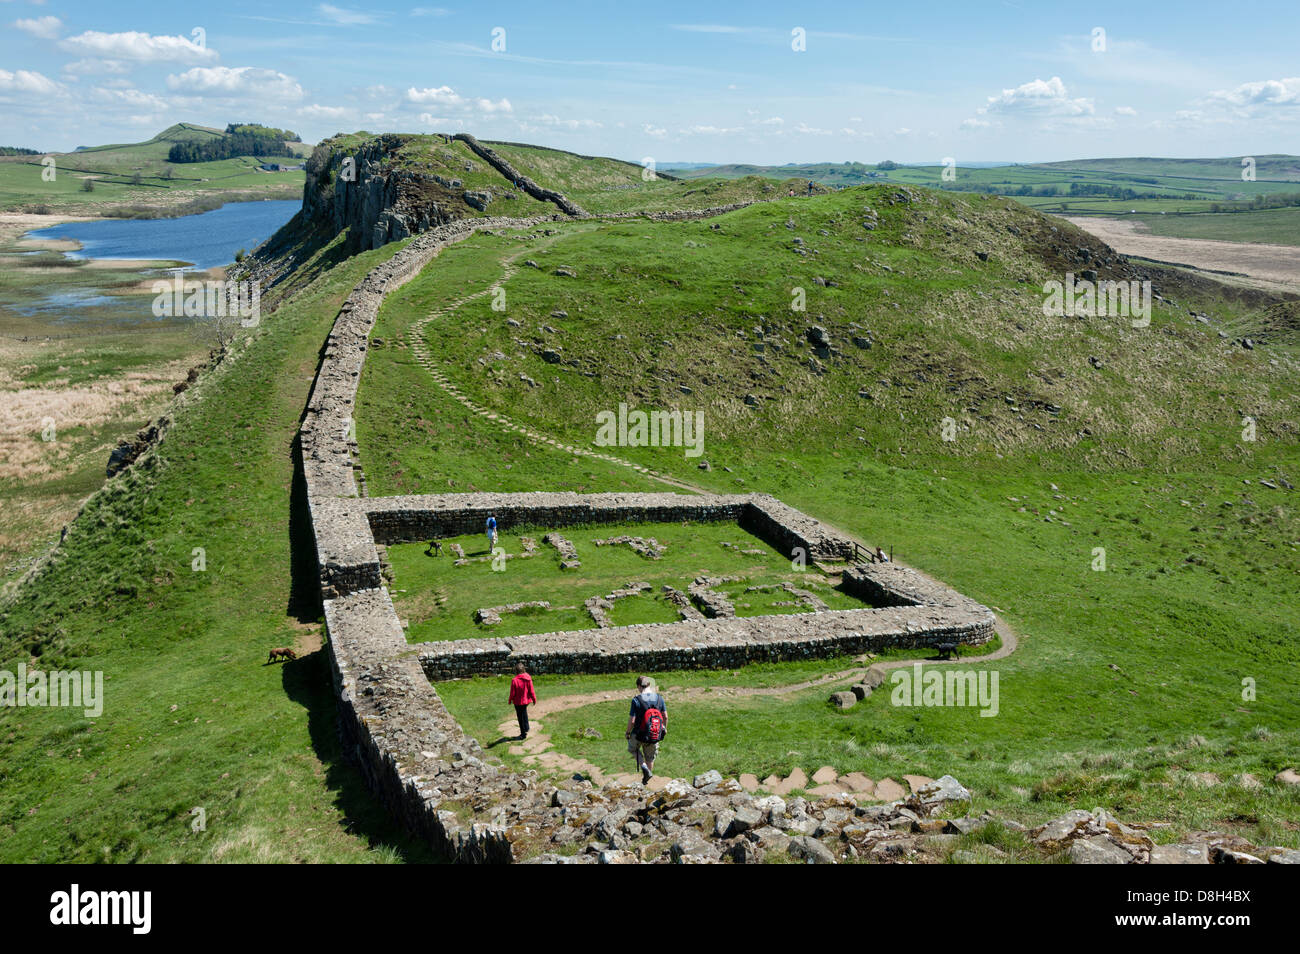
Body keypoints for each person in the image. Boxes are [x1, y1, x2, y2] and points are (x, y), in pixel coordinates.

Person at [626, 675, 667, 785]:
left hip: (639, 734)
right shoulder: (659, 698)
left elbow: (633, 721)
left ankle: (644, 767)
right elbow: (665, 716)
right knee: (650, 757)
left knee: (633, 749)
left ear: (639, 686)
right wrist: (664, 728)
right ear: (649, 685)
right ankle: (647, 780)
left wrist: (628, 732)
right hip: (654, 733)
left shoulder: (636, 700)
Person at [508, 663, 536, 740]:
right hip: (526, 701)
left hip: (517, 702)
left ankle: (523, 734)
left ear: (516, 671)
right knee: (524, 712)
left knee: (520, 717)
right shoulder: (528, 678)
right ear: (524, 669)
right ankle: (526, 728)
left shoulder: (514, 680)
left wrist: (510, 700)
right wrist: (534, 699)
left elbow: (512, 693)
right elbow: (531, 690)